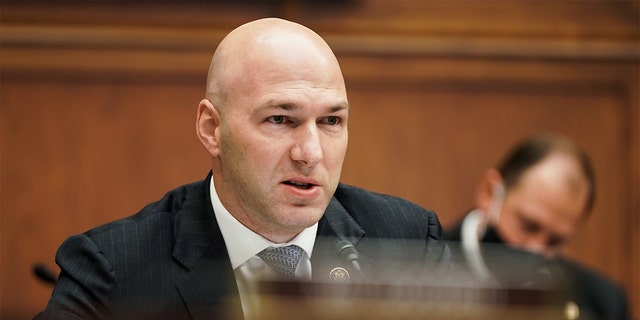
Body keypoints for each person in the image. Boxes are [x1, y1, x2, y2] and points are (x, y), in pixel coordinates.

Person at [35, 18, 450, 320]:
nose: (310, 153)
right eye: (280, 120)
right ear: (211, 129)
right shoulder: (115, 269)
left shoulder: (409, 240)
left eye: (331, 122)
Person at [445, 133, 630, 320]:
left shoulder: (602, 304)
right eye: (528, 226)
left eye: (555, 241)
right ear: (490, 193)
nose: (536, 250)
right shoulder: (425, 260)